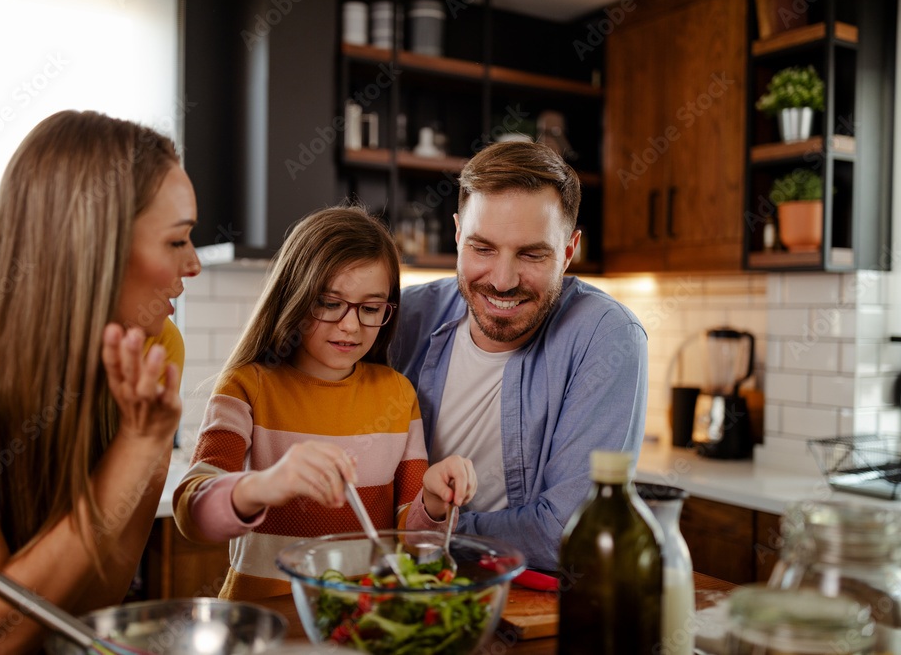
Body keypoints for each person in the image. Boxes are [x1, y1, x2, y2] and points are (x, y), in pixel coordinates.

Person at [0, 110, 201, 652]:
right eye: (177, 241)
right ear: (95, 246)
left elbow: (94, 603)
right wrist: (138, 446)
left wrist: (148, 444)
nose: (195, 263)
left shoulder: (156, 346)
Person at [172, 206, 477, 600]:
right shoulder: (249, 386)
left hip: (364, 621)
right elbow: (191, 515)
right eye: (329, 303)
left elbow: (414, 544)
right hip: (266, 622)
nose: (350, 325)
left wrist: (433, 503)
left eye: (370, 308)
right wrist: (264, 486)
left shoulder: (398, 395)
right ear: (294, 296)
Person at [391, 141, 648, 572]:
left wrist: (424, 531)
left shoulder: (608, 336)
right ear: (457, 236)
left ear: (568, 252)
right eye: (482, 248)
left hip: (526, 604)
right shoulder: (403, 317)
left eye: (531, 254)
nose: (503, 281)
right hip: (400, 589)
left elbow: (566, 534)